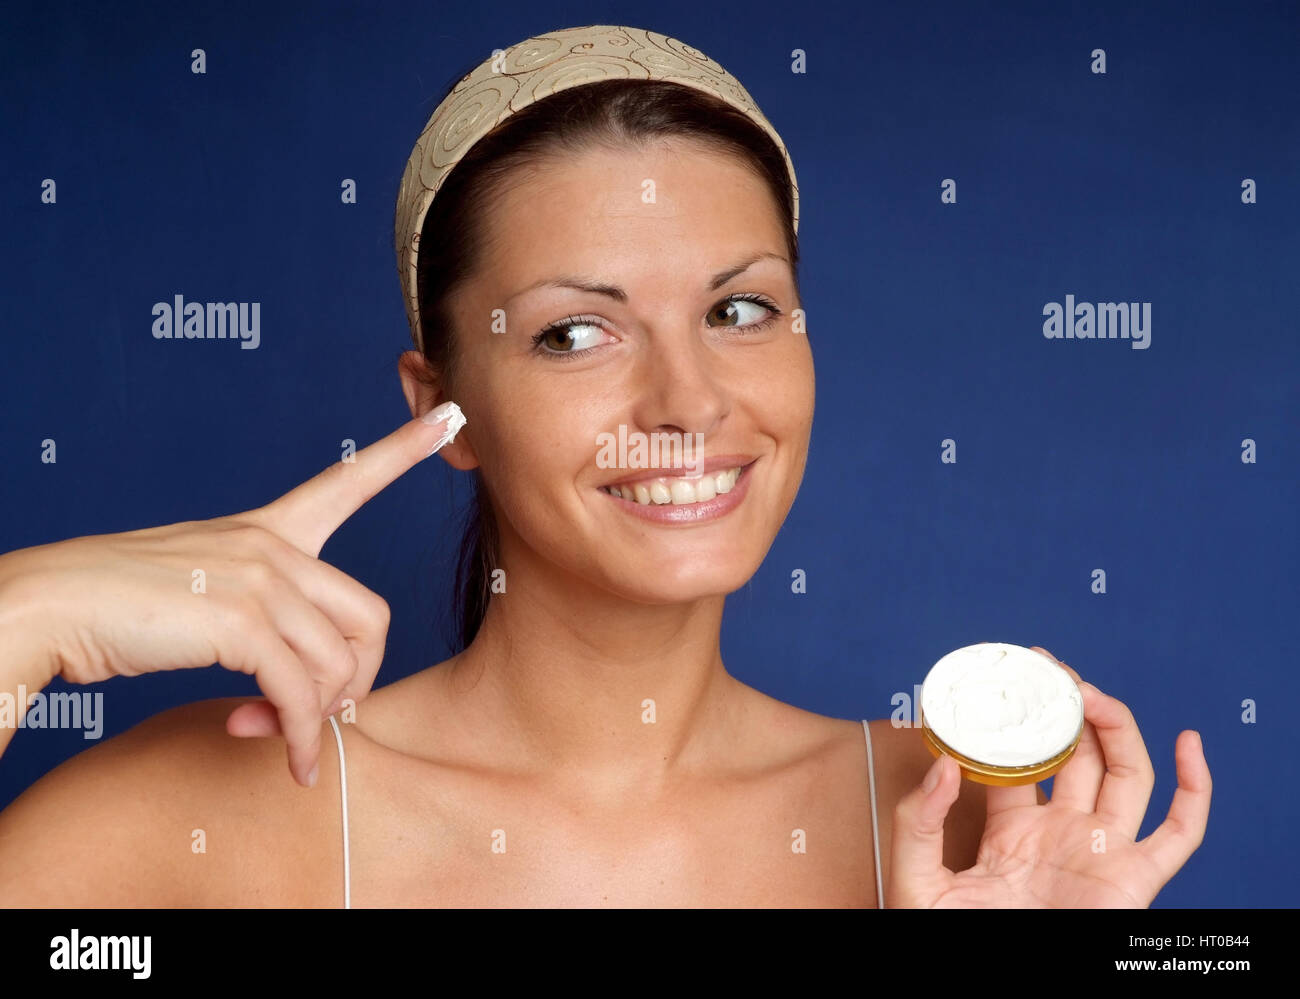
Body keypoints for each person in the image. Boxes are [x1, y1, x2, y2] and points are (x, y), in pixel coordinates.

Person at [0, 25, 1209, 908]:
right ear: (446, 413)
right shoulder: (199, 817)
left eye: (739, 312)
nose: (689, 402)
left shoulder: (964, 826)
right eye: (575, 333)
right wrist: (21, 618)